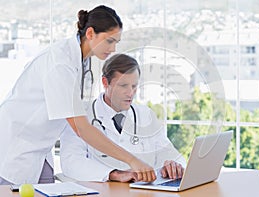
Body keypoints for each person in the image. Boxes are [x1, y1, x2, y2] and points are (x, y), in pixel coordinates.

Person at [0, 5, 156, 185]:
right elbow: (81, 128)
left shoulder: (80, 60)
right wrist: (132, 160)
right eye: (109, 41)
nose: (113, 49)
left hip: (39, 150)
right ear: (90, 33)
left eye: (116, 42)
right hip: (13, 148)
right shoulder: (60, 63)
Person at [60, 54, 186, 182]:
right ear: (105, 82)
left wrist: (174, 165)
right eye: (123, 86)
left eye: (134, 86)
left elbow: (169, 153)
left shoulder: (145, 115)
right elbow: (71, 161)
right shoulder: (82, 116)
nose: (130, 93)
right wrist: (113, 174)